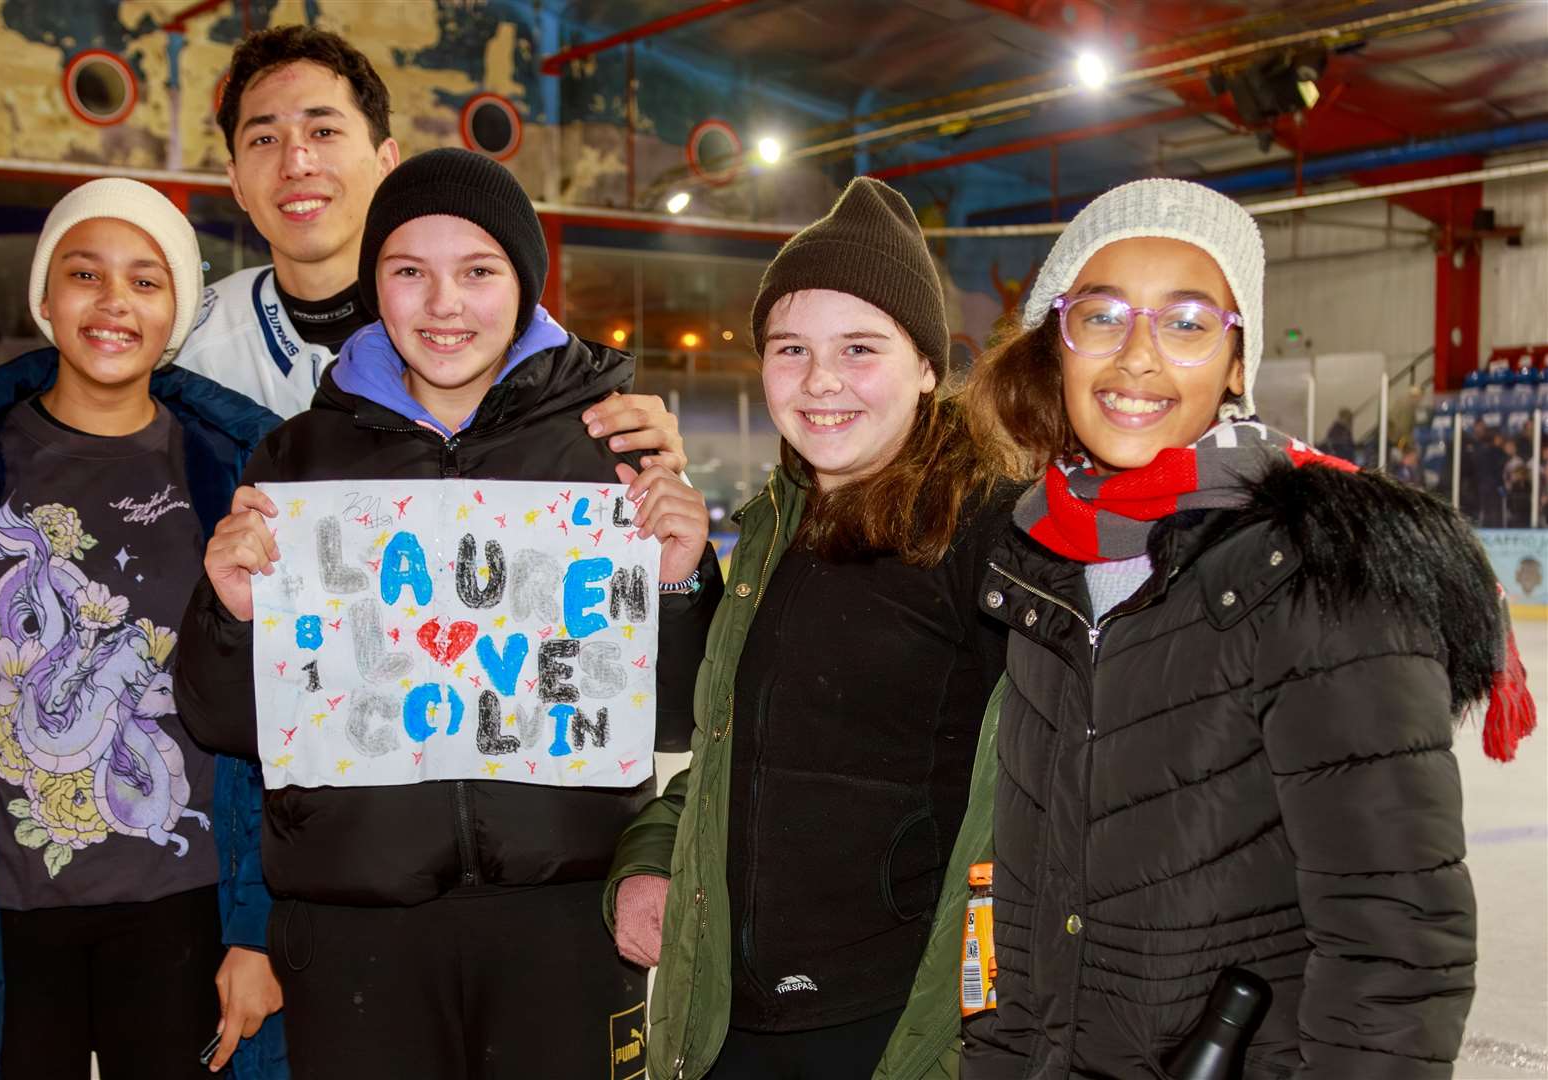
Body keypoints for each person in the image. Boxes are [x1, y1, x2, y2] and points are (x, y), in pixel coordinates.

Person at [953, 178, 1531, 1078]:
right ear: (1054, 348)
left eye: (1186, 323)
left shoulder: (1324, 571)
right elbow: (1019, 909)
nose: (1137, 357)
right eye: (1101, 317)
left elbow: (1396, 947)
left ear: (1236, 361)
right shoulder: (1042, 568)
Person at [174, 147, 723, 1079]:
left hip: (562, 918)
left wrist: (676, 580)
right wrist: (230, 614)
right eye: (408, 272)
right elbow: (224, 720)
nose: (443, 305)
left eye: (477, 271)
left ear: (524, 284)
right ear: (374, 287)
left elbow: (676, 714)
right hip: (356, 928)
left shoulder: (610, 447)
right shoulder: (299, 458)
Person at [0, 179, 287, 1079]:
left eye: (147, 282)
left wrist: (262, 932)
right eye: (85, 273)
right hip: (1, 923)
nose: (114, 303)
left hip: (185, 915)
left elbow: (283, 729)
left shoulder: (241, 478)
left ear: (177, 310)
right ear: (45, 296)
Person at [604, 178, 1019, 1080]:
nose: (821, 381)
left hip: (890, 1028)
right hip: (730, 1018)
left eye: (859, 348)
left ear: (924, 366)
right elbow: (726, 753)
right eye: (791, 349)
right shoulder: (771, 530)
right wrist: (644, 862)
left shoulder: (993, 536)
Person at [0, 25, 687, 482]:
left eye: (324, 131)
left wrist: (649, 471)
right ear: (233, 178)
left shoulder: (499, 346)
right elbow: (72, 427)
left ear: (386, 158)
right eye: (265, 138)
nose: (296, 161)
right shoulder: (183, 340)